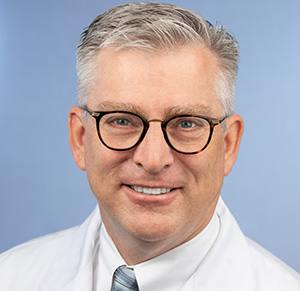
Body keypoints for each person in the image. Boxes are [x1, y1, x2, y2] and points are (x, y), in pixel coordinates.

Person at [0, 2, 299, 290]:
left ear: (229, 145)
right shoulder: (10, 277)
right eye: (122, 121)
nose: (153, 159)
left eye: (186, 123)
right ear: (80, 138)